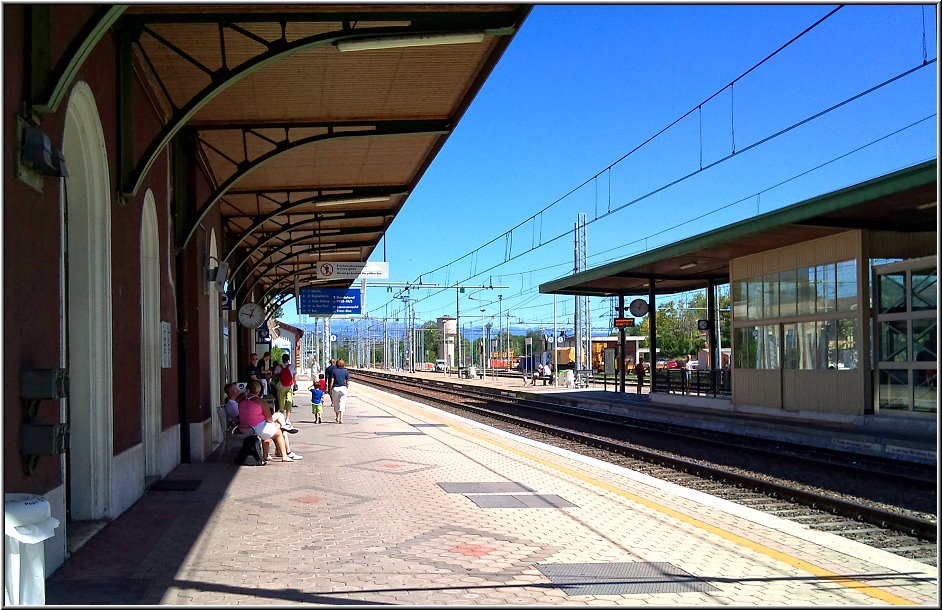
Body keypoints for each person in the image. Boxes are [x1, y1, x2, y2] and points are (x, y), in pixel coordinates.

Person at [237, 380, 301, 463]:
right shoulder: (261, 401)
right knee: (278, 433)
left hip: (243, 427)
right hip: (255, 427)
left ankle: (267, 454)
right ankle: (284, 455)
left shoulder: (242, 400)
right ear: (259, 390)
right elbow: (269, 419)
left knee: (270, 428)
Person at [273, 353, 296, 426]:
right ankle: (288, 419)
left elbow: (275, 376)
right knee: (289, 401)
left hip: (281, 386)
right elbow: (294, 377)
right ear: (288, 359)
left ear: (282, 359)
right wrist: (294, 384)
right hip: (290, 386)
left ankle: (281, 418)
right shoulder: (292, 366)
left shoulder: (278, 367)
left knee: (281, 402)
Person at [328, 358, 351, 423]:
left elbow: (332, 380)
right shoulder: (345, 371)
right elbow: (347, 382)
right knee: (342, 404)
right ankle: (341, 418)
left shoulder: (334, 371)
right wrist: (346, 388)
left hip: (335, 388)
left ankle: (337, 417)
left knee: (336, 403)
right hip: (343, 388)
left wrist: (330, 389)